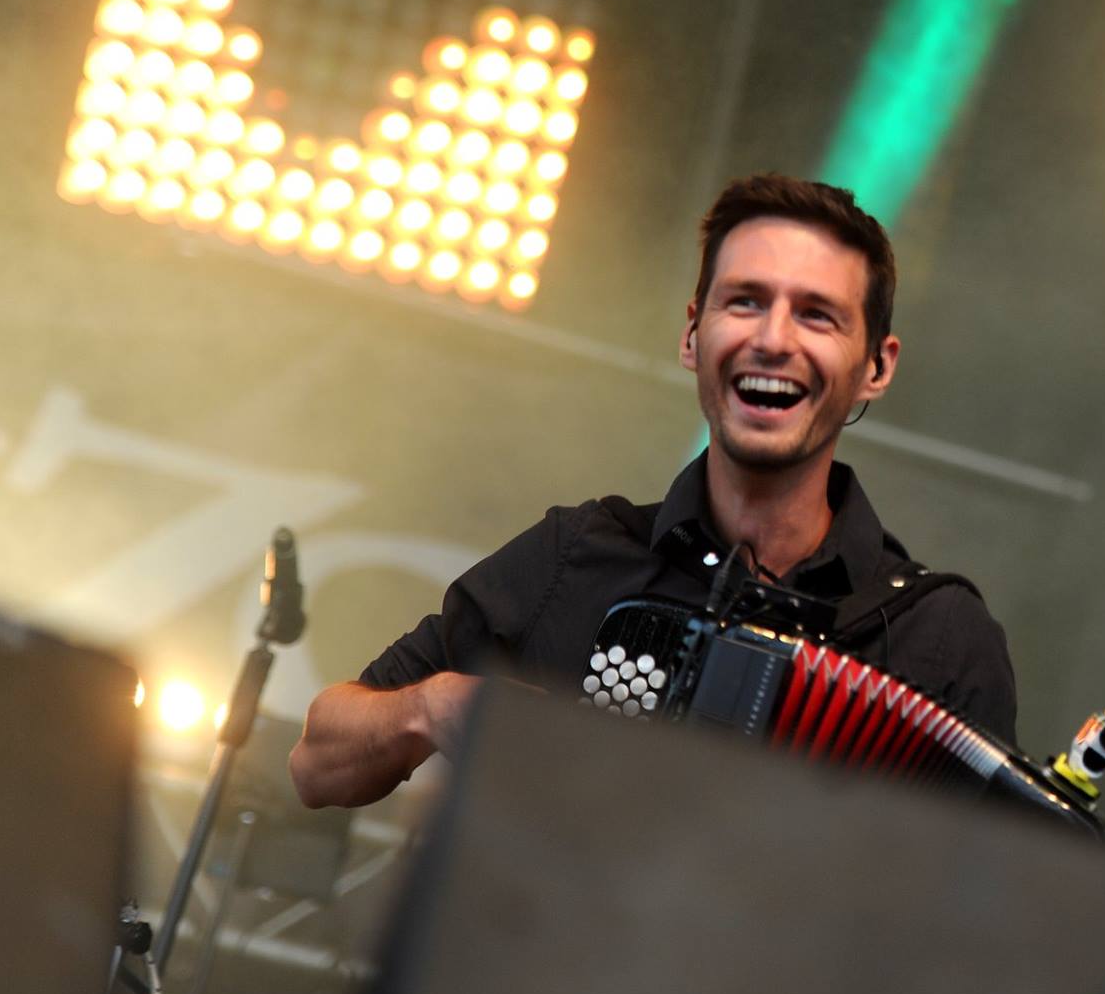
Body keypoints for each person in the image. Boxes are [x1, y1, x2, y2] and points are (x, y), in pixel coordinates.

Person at [291, 173, 1017, 809]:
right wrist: (435, 705)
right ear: (692, 335)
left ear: (876, 368)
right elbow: (316, 767)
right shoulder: (575, 557)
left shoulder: (939, 636)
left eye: (816, 314)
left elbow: (999, 906)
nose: (773, 338)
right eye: (744, 302)